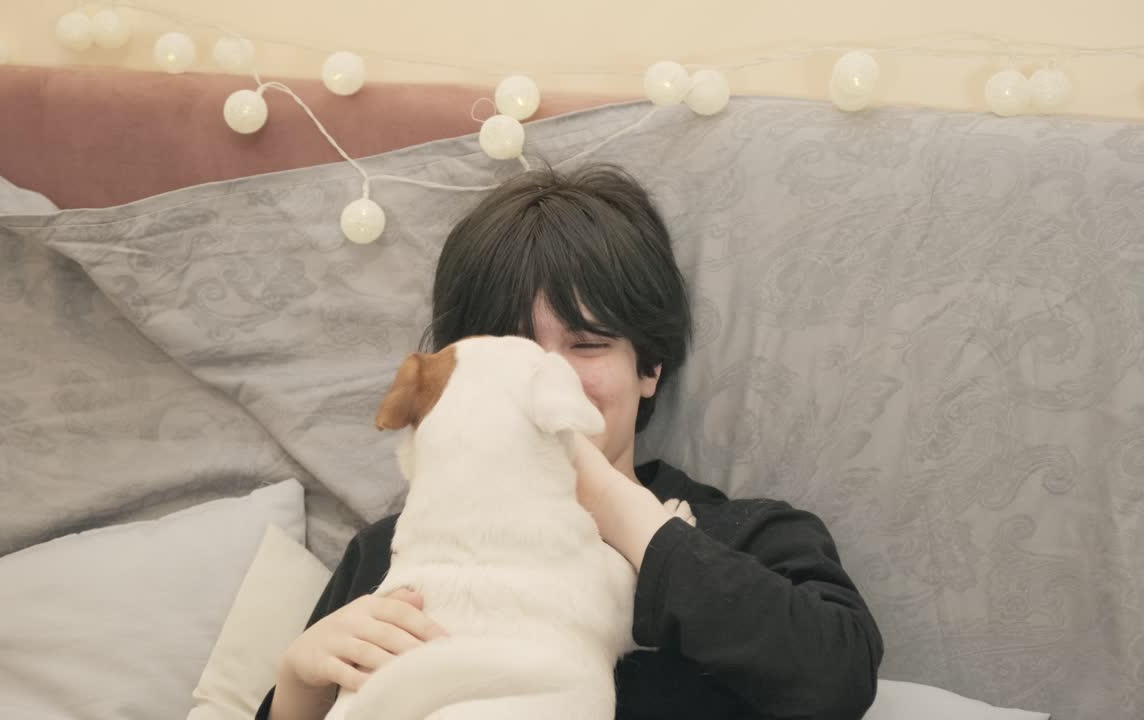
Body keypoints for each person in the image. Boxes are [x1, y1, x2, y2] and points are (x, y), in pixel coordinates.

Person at [257, 163, 883, 720]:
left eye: (587, 344)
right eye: (512, 351)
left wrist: (618, 508)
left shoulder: (751, 538)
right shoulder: (396, 551)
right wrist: (297, 682)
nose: (547, 375)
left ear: (650, 367)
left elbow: (839, 681)